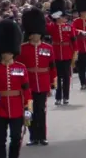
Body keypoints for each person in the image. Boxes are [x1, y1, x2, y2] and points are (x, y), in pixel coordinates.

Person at [0, 19, 33, 158]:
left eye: (9, 52)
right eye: (4, 52)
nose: (7, 54)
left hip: (17, 108)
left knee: (16, 137)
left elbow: (26, 89)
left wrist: (28, 108)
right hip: (0, 108)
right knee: (0, 138)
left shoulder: (21, 67)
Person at [16, 8, 56, 146]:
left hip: (43, 82)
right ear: (30, 34)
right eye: (34, 34)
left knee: (41, 110)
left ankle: (42, 136)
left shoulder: (48, 48)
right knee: (30, 110)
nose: (36, 36)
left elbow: (52, 67)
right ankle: (33, 136)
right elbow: (20, 68)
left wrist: (53, 84)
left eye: (38, 34)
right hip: (29, 83)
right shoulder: (23, 48)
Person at [46, 0, 79, 105]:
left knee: (66, 77)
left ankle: (65, 96)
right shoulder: (52, 27)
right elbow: (45, 26)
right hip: (56, 54)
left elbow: (74, 41)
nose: (63, 18)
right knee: (57, 77)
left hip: (67, 54)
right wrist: (50, 16)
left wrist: (75, 53)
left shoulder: (69, 28)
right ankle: (58, 97)